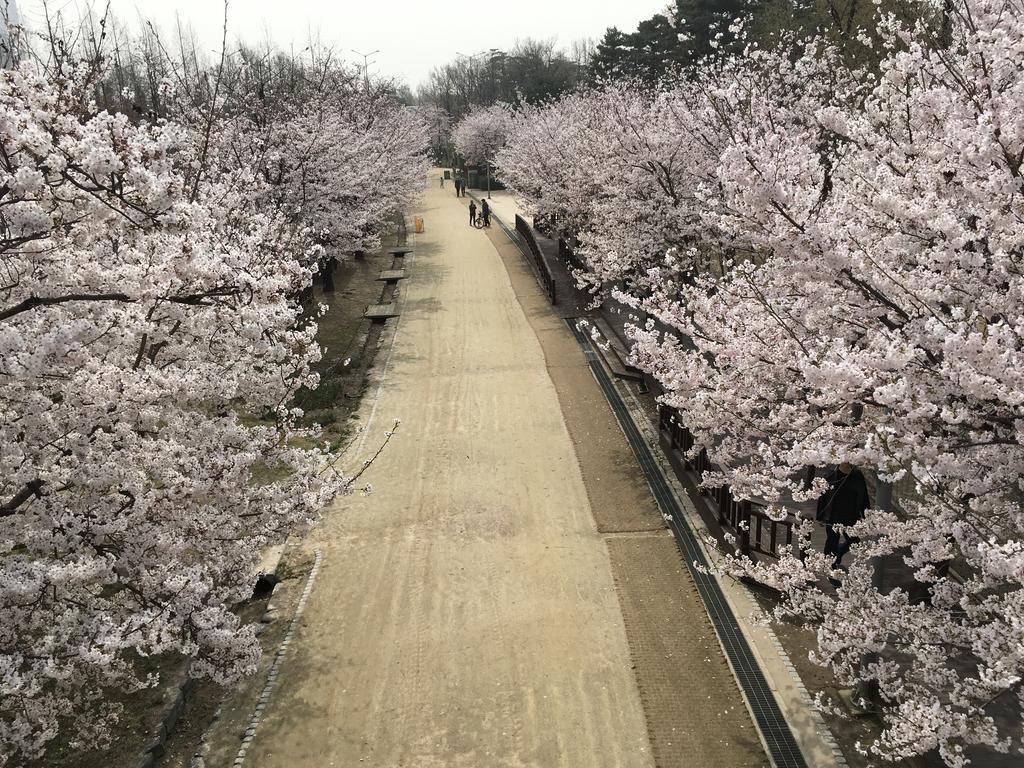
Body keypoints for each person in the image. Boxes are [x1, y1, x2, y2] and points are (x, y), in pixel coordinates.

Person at [816, 462, 870, 570]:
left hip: (851, 516)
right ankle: (829, 565)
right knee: (832, 542)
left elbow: (864, 495)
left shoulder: (857, 475)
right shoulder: (830, 475)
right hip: (833, 516)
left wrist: (867, 514)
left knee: (854, 541)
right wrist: (820, 516)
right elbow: (822, 497)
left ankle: (839, 552)